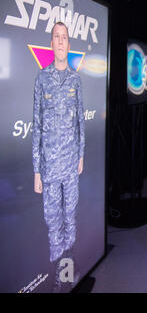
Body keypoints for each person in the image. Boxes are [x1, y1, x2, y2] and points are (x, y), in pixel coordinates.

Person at [32, 21, 85, 291]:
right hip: (50, 168)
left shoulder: (76, 79)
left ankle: (68, 270)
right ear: (51, 44)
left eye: (64, 37)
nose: (61, 41)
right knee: (52, 220)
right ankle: (57, 276)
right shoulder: (42, 79)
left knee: (70, 216)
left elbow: (80, 125)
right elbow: (37, 126)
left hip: (71, 165)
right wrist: (37, 171)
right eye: (56, 37)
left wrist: (81, 156)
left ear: (68, 43)